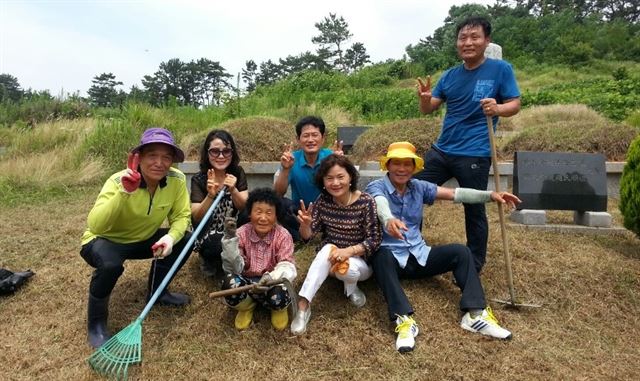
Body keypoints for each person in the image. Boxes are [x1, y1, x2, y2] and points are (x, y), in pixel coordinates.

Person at [366, 142, 520, 353]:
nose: (401, 169)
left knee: (461, 251)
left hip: (419, 256)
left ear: (414, 167)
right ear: (388, 166)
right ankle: (404, 321)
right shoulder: (376, 186)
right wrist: (388, 220)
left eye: (407, 164)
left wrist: (490, 196)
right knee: (380, 255)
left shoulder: (419, 187)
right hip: (391, 260)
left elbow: (454, 194)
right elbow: (380, 204)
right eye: (396, 164)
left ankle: (475, 314)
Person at [415, 16, 521, 272]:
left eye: (475, 37)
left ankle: (474, 262)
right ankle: (411, 246)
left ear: (487, 40)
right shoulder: (450, 75)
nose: (468, 42)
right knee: (412, 193)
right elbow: (428, 109)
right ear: (457, 43)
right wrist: (424, 98)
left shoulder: (500, 69)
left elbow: (514, 104)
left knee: (474, 208)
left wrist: (498, 108)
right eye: (463, 38)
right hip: (442, 150)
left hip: (475, 153)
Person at [80, 127, 193, 348]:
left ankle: (158, 293)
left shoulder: (176, 180)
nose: (159, 163)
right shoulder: (117, 181)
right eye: (152, 155)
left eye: (166, 157)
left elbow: (181, 216)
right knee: (111, 265)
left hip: (144, 239)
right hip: (105, 241)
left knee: (186, 239)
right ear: (138, 158)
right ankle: (96, 324)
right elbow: (96, 224)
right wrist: (124, 192)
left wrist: (170, 238)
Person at [290, 154, 382, 335]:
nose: (335, 183)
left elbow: (374, 240)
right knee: (326, 249)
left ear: (350, 178)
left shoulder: (366, 202)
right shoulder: (323, 202)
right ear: (323, 181)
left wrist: (348, 251)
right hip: (330, 257)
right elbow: (307, 237)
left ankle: (351, 287)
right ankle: (303, 305)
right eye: (329, 178)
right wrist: (305, 225)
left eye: (341, 177)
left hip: (359, 262)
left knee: (348, 269)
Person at [219, 188, 296, 331]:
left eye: (269, 213)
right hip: (247, 285)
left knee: (282, 291)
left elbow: (287, 266)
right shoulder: (241, 233)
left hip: (272, 282)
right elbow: (233, 269)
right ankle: (247, 306)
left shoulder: (283, 235)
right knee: (229, 283)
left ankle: (277, 309)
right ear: (250, 213)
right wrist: (230, 239)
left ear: (276, 216)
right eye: (258, 212)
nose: (263, 218)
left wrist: (270, 278)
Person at [273, 116, 343, 240]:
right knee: (279, 203)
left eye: (315, 135)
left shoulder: (331, 157)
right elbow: (278, 192)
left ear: (322, 138)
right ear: (298, 139)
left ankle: (317, 236)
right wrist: (286, 169)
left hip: (328, 211)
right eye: (306, 136)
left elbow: (345, 189)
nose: (310, 140)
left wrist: (339, 164)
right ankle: (301, 237)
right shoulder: (291, 159)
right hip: (300, 212)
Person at [190, 130, 248, 278]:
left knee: (251, 213)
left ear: (232, 153)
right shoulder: (199, 179)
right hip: (210, 232)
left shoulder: (237, 172)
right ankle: (209, 259)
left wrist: (233, 190)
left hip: (232, 228)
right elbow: (196, 216)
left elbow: (244, 207)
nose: (221, 156)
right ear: (207, 153)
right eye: (215, 151)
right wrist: (210, 195)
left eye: (226, 151)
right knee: (216, 246)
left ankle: (237, 254)